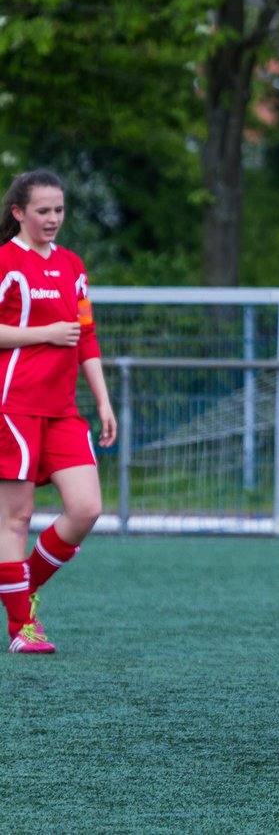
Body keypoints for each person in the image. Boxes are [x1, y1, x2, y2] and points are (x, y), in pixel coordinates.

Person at [0, 169, 116, 655]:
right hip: (14, 405)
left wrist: (104, 401)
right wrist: (43, 335)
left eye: (59, 210)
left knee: (86, 507)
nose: (52, 219)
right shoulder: (5, 262)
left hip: (63, 410)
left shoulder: (72, 265)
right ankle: (22, 627)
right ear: (19, 213)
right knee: (16, 517)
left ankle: (20, 584)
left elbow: (84, 334)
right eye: (42, 210)